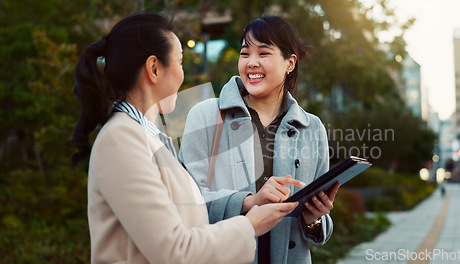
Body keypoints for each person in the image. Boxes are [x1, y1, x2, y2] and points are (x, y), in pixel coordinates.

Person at [71, 13, 298, 264]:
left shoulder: (149, 136)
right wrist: (250, 225)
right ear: (154, 68)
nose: (183, 74)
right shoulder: (121, 139)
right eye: (180, 62)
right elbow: (174, 251)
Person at [179, 16, 339, 264]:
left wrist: (315, 218)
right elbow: (186, 201)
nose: (251, 63)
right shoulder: (206, 115)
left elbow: (320, 229)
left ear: (290, 63)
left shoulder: (312, 128)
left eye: (263, 53)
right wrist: (249, 202)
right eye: (245, 54)